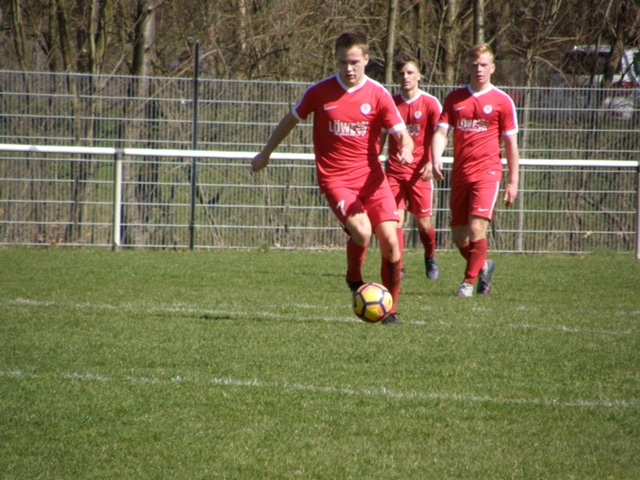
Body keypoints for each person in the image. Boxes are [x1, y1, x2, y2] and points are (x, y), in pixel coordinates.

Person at [251, 31, 414, 324]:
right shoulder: (320, 92)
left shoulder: (378, 94)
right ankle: (354, 279)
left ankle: (390, 310)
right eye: (342, 63)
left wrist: (407, 149)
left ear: (366, 59)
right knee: (363, 232)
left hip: (373, 179)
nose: (348, 69)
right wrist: (266, 153)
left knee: (391, 243)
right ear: (336, 61)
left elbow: (402, 133)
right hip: (337, 179)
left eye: (354, 62)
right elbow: (290, 120)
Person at [431, 44, 520, 297]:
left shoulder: (503, 101)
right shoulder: (454, 99)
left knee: (476, 229)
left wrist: (513, 182)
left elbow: (511, 145)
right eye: (474, 65)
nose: (479, 70)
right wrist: (435, 157)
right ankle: (484, 266)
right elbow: (440, 132)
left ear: (492, 68)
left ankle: (468, 284)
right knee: (459, 236)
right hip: (461, 173)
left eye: (483, 65)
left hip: (488, 172)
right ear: (467, 67)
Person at [381, 53, 442, 281]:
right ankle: (399, 266)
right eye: (401, 73)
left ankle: (430, 255)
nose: (405, 77)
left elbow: (441, 135)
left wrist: (430, 160)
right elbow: (382, 136)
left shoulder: (430, 103)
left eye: (410, 73)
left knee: (424, 224)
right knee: (395, 220)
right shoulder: (390, 102)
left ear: (419, 76)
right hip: (395, 172)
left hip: (420, 174)